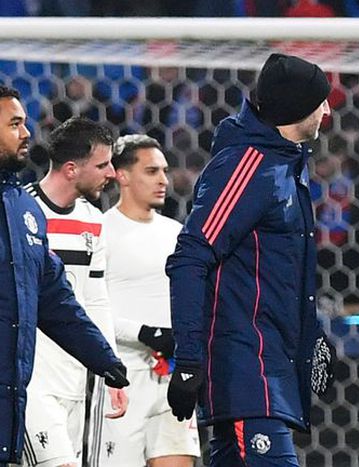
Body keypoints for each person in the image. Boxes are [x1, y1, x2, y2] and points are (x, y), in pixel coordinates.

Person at [165, 53, 336, 467]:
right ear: (297, 108)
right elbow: (190, 258)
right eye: (321, 102)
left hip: (266, 371)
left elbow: (281, 273)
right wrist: (187, 359)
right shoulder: (248, 166)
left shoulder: (286, 164)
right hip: (248, 373)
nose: (328, 111)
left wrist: (311, 334)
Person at [0, 87, 128, 466]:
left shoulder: (24, 211)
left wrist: (105, 360)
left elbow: (59, 298)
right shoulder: (29, 204)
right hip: (35, 377)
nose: (27, 133)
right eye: (14, 124)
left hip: (36, 382)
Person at [87, 134, 200, 466]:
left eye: (164, 171)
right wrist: (144, 333)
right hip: (121, 379)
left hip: (171, 377)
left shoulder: (178, 233)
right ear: (122, 176)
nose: (163, 180)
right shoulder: (100, 231)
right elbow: (89, 308)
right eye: (151, 171)